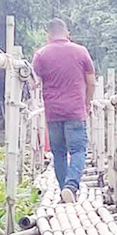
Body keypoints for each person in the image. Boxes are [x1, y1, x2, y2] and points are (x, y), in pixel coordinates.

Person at [31, 18, 95, 202]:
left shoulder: (41, 55)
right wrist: (87, 103)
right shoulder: (81, 51)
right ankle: (71, 186)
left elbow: (33, 83)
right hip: (75, 111)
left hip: (53, 114)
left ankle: (63, 191)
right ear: (68, 34)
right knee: (78, 151)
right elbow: (91, 81)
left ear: (48, 36)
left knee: (58, 153)